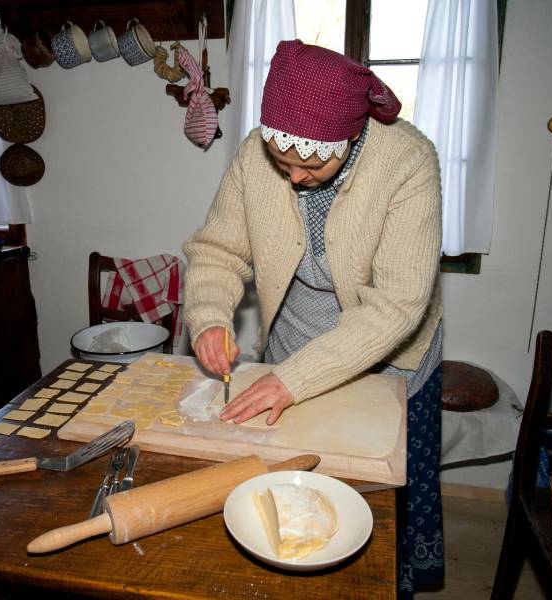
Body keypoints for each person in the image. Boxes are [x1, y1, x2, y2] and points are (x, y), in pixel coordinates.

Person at [182, 40, 443, 597]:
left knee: (372, 501)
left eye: (311, 164)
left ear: (351, 138)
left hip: (389, 355)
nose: (295, 178)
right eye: (284, 164)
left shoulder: (408, 163)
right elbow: (218, 250)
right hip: (295, 340)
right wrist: (207, 316)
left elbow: (397, 305)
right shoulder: (258, 153)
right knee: (293, 491)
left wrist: (295, 379)